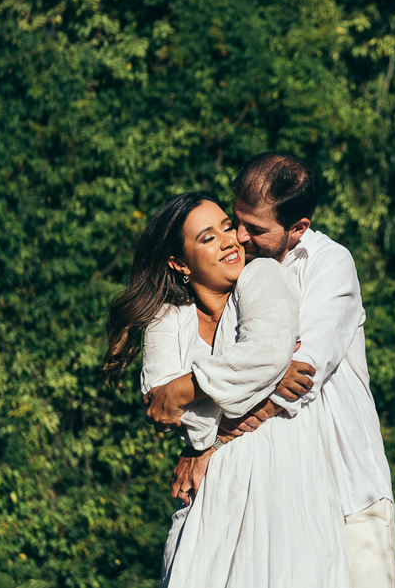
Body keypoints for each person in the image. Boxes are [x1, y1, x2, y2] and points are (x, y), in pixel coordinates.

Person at [103, 192, 351, 588]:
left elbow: (267, 354)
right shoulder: (168, 319)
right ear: (180, 263)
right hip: (211, 493)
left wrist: (192, 387)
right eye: (207, 237)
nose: (229, 240)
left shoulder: (264, 274)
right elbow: (180, 421)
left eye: (225, 226)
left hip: (283, 476)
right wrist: (260, 381)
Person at [180, 152, 395, 588]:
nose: (239, 237)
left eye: (256, 229)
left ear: (298, 227)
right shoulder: (237, 273)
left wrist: (210, 446)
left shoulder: (330, 264)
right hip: (273, 493)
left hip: (348, 492)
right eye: (237, 220)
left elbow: (300, 378)